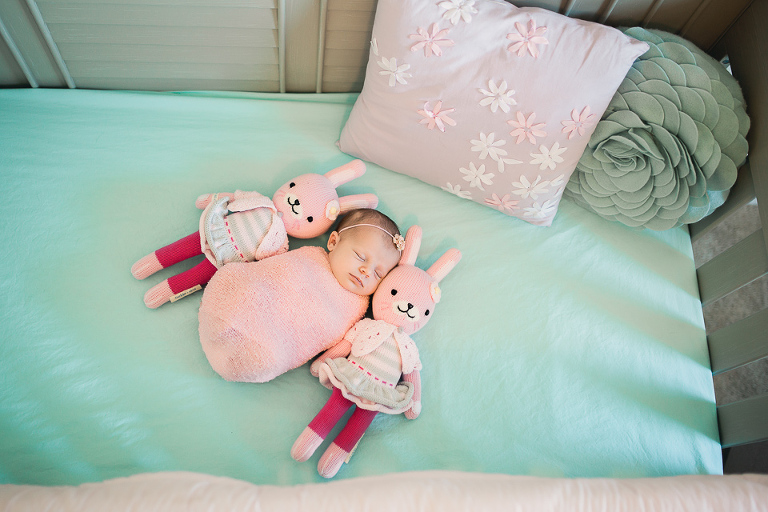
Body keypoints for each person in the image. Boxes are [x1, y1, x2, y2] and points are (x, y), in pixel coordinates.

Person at [197, 208, 404, 383]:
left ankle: (256, 354)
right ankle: (228, 313)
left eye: (378, 273)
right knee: (246, 289)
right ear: (333, 242)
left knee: (268, 356)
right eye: (360, 257)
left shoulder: (357, 306)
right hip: (246, 303)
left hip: (274, 343)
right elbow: (274, 273)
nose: (367, 272)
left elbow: (321, 333)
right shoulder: (311, 256)